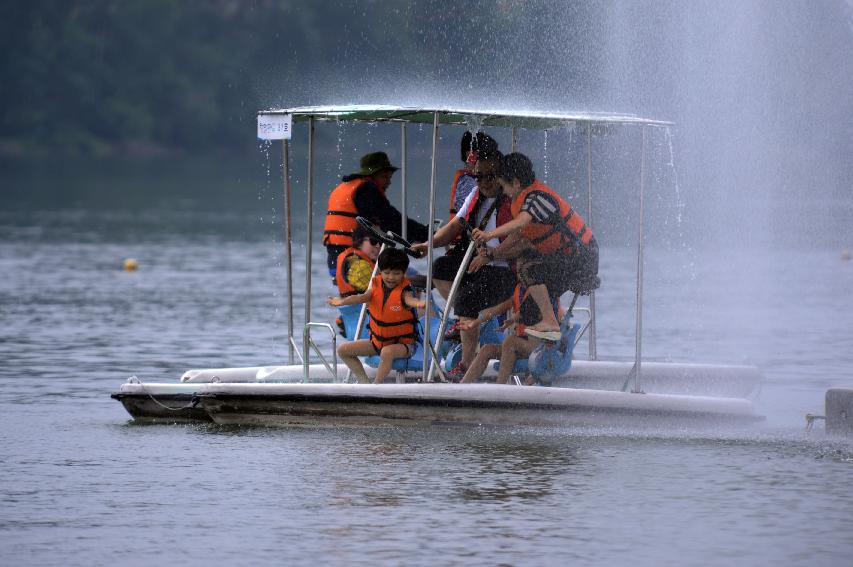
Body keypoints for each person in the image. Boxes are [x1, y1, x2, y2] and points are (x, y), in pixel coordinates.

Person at [411, 148, 516, 380]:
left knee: (467, 299)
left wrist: (492, 255)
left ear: (501, 174)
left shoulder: (513, 198)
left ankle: (467, 363)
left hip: (506, 269)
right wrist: (429, 244)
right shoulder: (475, 194)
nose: (485, 182)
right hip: (480, 262)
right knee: (440, 267)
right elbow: (454, 227)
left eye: (490, 176)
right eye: (479, 176)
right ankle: (464, 322)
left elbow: (520, 240)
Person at [473, 152, 599, 341]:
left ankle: (551, 322)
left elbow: (521, 223)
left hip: (582, 259)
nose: (504, 192)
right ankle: (552, 347)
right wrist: (493, 254)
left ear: (515, 183)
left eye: (504, 186)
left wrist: (488, 234)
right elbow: (518, 236)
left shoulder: (537, 198)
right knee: (528, 313)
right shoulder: (524, 200)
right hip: (566, 258)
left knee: (527, 264)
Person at [328, 248, 426, 384]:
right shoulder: (375, 286)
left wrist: (419, 303)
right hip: (377, 342)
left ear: (403, 273)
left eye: (396, 274)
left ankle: (376, 386)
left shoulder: (405, 292)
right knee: (343, 350)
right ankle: (364, 383)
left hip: (404, 345)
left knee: (386, 352)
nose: (391, 277)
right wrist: (341, 301)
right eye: (387, 273)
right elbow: (360, 298)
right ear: (381, 271)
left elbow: (410, 300)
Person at [323, 151, 429, 275]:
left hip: (336, 259)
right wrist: (425, 235)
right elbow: (391, 220)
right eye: (384, 177)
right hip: (353, 261)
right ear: (372, 175)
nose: (389, 182)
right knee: (412, 277)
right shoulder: (365, 190)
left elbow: (385, 222)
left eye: (390, 177)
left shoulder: (346, 187)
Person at [459, 283, 560, 385]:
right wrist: (474, 322)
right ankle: (463, 385)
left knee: (510, 341)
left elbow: (528, 311)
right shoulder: (520, 290)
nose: (518, 273)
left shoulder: (541, 291)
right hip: (523, 346)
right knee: (487, 349)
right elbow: (495, 310)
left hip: (541, 348)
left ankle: (499, 387)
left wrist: (512, 319)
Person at [448, 131, 499, 219]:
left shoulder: (471, 179)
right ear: (470, 156)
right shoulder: (467, 181)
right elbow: (464, 217)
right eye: (486, 157)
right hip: (466, 232)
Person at [335, 225, 381, 297]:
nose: (378, 246)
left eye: (381, 242)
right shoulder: (359, 265)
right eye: (373, 241)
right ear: (359, 242)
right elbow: (378, 291)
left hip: (351, 305)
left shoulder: (356, 259)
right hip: (359, 306)